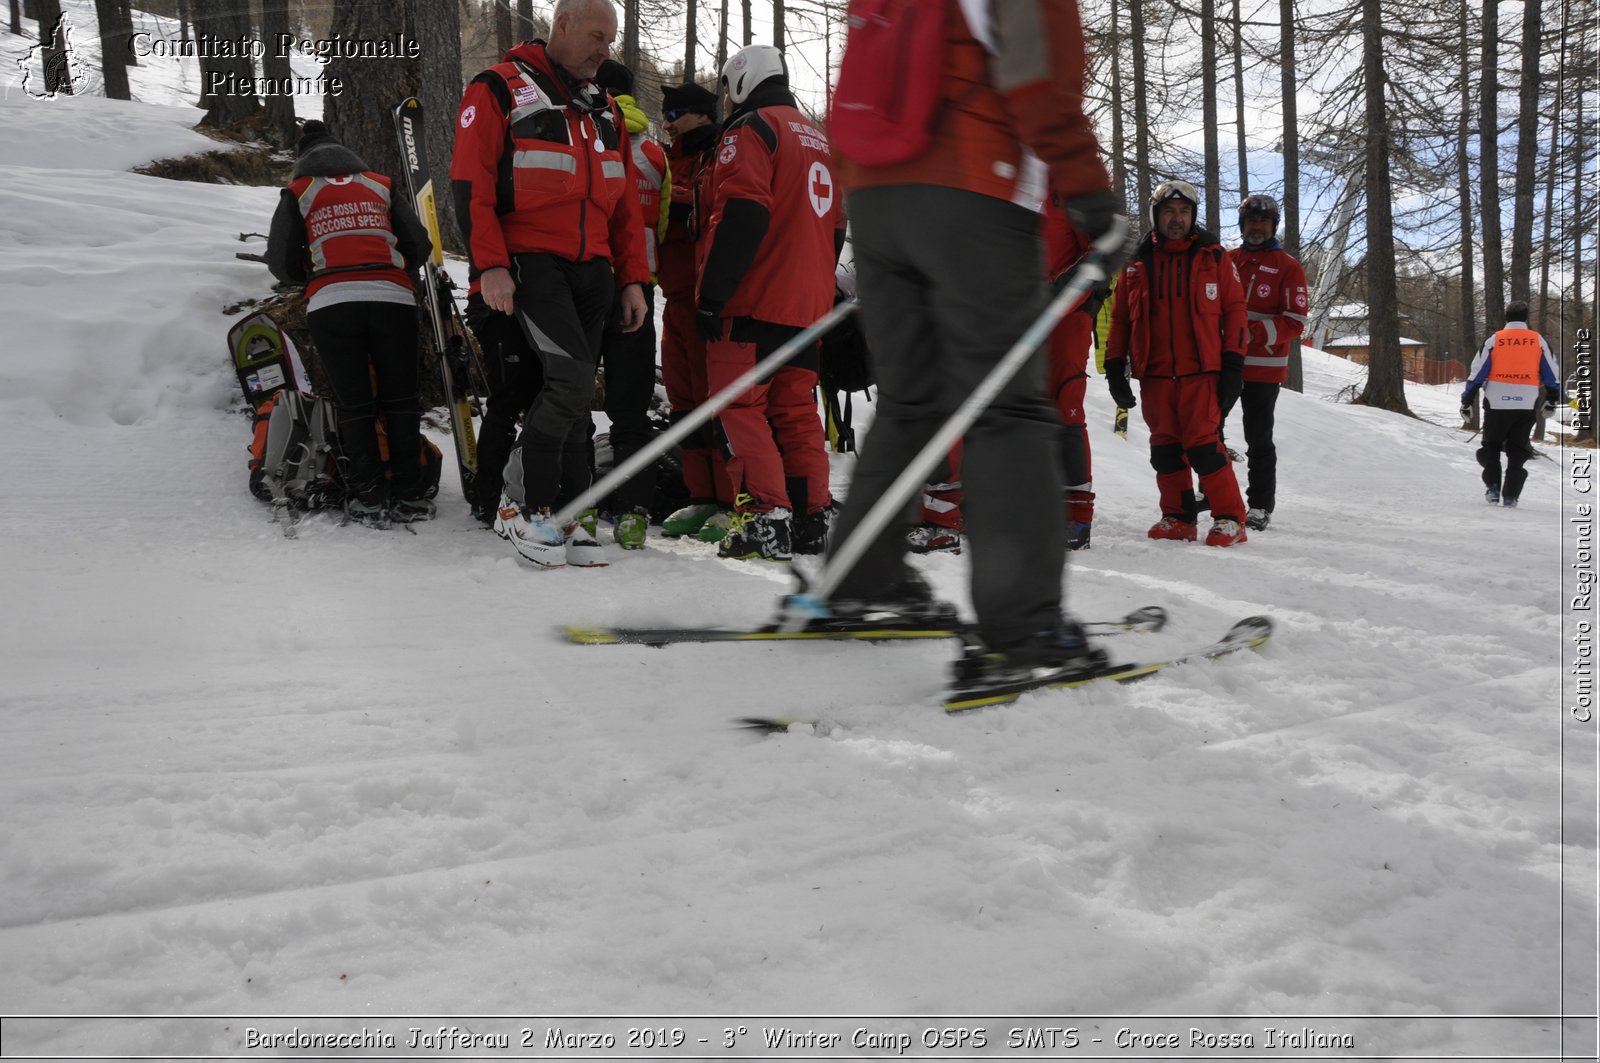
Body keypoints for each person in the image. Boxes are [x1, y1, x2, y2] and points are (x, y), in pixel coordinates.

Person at [817, 0, 1128, 684]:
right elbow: (1036, 75)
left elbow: (855, 80)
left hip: (874, 196)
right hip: (971, 190)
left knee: (910, 401)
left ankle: (860, 582)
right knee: (1007, 407)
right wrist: (1089, 192)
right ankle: (1022, 628)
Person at [449, 0, 652, 568]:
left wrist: (633, 279)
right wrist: (488, 264)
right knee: (568, 381)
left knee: (576, 396)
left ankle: (571, 510)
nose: (604, 50)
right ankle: (527, 508)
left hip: (594, 270)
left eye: (610, 41)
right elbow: (470, 184)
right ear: (561, 25)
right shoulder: (498, 88)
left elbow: (625, 213)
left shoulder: (604, 107)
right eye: (596, 36)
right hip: (531, 263)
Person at [694, 44, 844, 561]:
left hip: (754, 298)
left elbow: (742, 214)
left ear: (740, 80)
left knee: (739, 407)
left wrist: (713, 295)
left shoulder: (750, 130)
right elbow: (838, 229)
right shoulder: (820, 140)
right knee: (796, 411)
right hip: (809, 305)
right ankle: (810, 519)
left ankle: (766, 518)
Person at [266, 119, 435, 528]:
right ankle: (410, 495)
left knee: (355, 404)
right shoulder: (379, 183)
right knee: (400, 400)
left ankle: (369, 497)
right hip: (392, 297)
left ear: (302, 159)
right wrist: (389, 267)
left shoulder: (299, 192)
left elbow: (281, 261)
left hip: (332, 303)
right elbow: (419, 244)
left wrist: (313, 273)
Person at [1105, 179, 1250, 547]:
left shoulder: (1214, 257)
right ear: (1157, 215)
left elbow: (1234, 311)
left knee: (1203, 445)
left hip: (1202, 371)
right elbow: (1120, 319)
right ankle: (1178, 516)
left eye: (1184, 212)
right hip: (1154, 374)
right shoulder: (1137, 264)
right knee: (1165, 447)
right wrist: (1114, 365)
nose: (1177, 219)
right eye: (1169, 211)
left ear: (1193, 216)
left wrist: (1233, 363)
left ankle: (1230, 518)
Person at [654, 80, 737, 543]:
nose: (666, 124)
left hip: (709, 301)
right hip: (674, 297)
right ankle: (701, 497)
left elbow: (727, 213)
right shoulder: (667, 160)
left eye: (674, 115)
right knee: (683, 402)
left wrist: (681, 201)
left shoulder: (721, 153)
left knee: (715, 403)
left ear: (701, 116)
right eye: (665, 116)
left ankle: (729, 501)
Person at [592, 58, 670, 549]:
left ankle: (571, 504)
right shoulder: (655, 153)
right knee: (631, 410)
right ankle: (634, 513)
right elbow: (660, 224)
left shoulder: (590, 132)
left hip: (587, 279)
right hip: (641, 285)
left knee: (572, 400)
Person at [1221, 193, 1307, 531]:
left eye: (1263, 221)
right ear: (1242, 225)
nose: (1256, 226)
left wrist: (1250, 332)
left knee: (1258, 437)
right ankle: (1214, 493)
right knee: (1209, 430)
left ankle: (1259, 505)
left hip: (1264, 367)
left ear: (1273, 225)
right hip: (1225, 363)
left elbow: (1295, 320)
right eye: (1251, 221)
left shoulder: (1288, 266)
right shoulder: (1225, 260)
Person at [1460, 299, 1561, 507]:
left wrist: (1467, 400)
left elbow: (1477, 372)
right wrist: (1552, 398)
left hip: (1496, 400)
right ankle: (1511, 496)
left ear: (1506, 317)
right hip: (1526, 400)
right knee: (1518, 449)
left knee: (1491, 446)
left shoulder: (1495, 340)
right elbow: (1552, 372)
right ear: (1525, 318)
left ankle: (1493, 488)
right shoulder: (1537, 340)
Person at [1043, 201, 1103, 550]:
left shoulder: (1071, 181)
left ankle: (1077, 517)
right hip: (1014, 313)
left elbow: (1099, 252)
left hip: (1069, 314)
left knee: (1065, 408)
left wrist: (1061, 290)